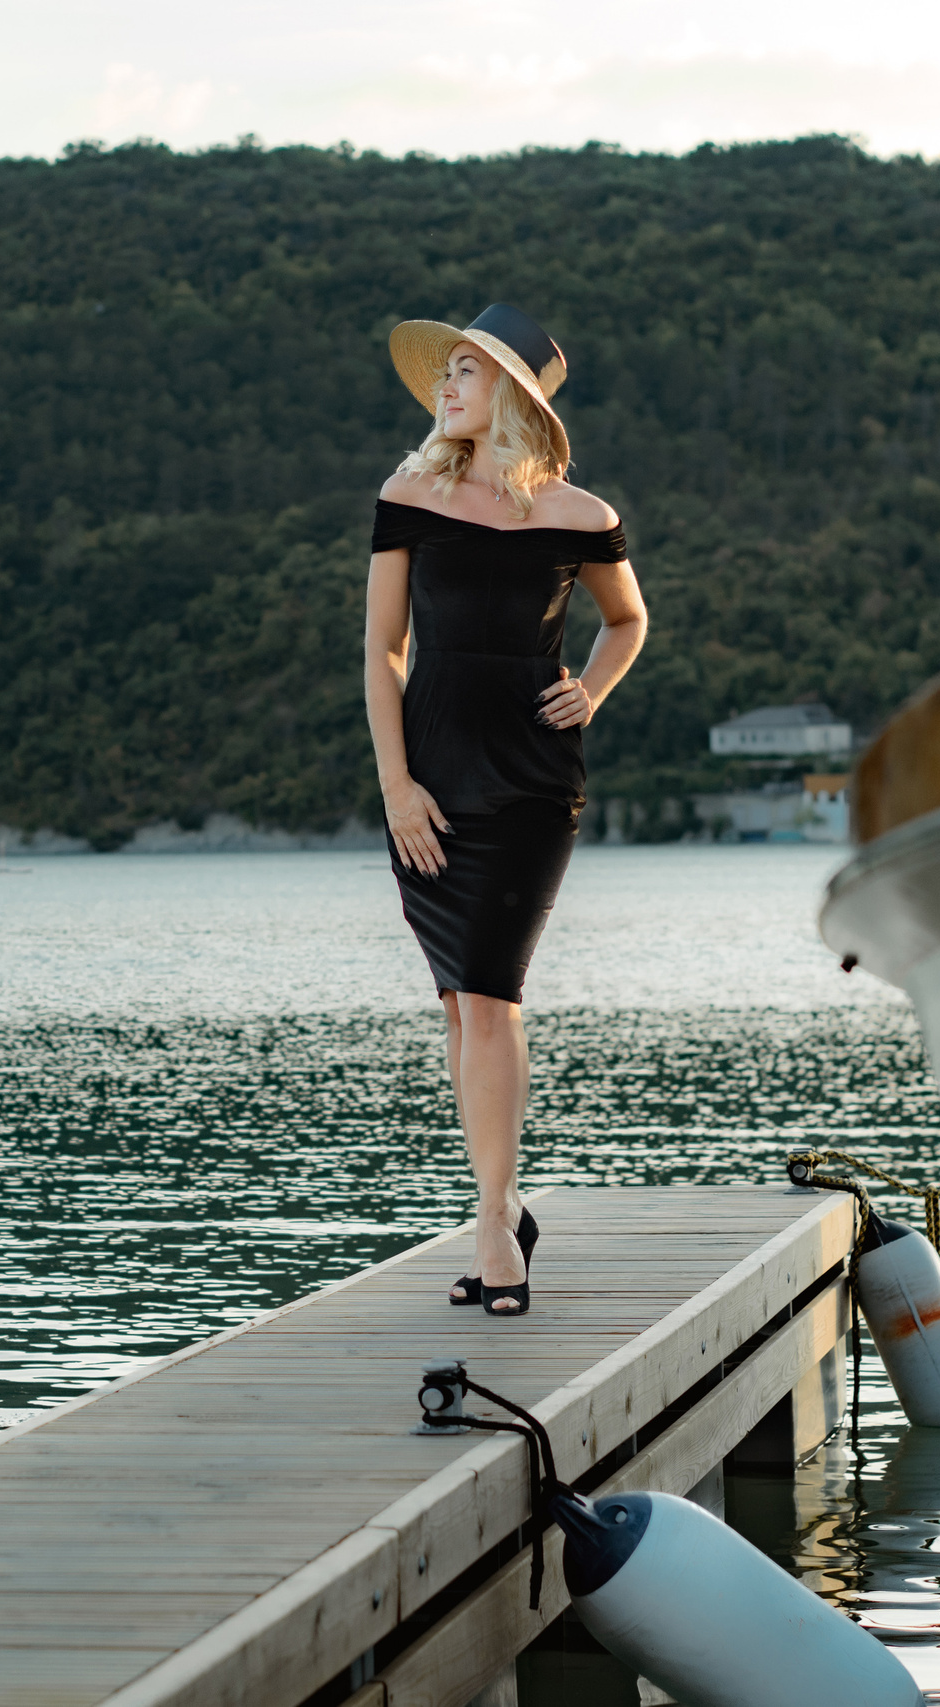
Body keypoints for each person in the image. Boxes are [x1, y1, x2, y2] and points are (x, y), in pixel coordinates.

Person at [364, 303, 648, 1318]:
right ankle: (501, 1202)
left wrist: (594, 687)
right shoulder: (406, 495)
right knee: (459, 998)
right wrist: (396, 784)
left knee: (490, 990)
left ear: (514, 396)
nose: (446, 386)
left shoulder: (580, 515)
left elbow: (626, 620)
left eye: (468, 372)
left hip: (531, 778)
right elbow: (382, 653)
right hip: (431, 774)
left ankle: (489, 1222)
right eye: (444, 373)